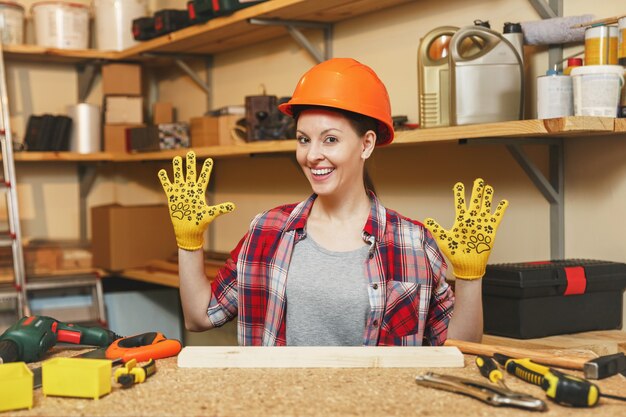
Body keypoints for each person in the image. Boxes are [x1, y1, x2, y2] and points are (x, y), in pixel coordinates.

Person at [158, 58, 508, 346]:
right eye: (303, 139)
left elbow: (462, 350)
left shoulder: (412, 242)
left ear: (367, 144)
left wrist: (471, 277)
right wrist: (189, 244)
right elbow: (199, 317)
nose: (313, 155)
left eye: (330, 139)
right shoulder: (267, 230)